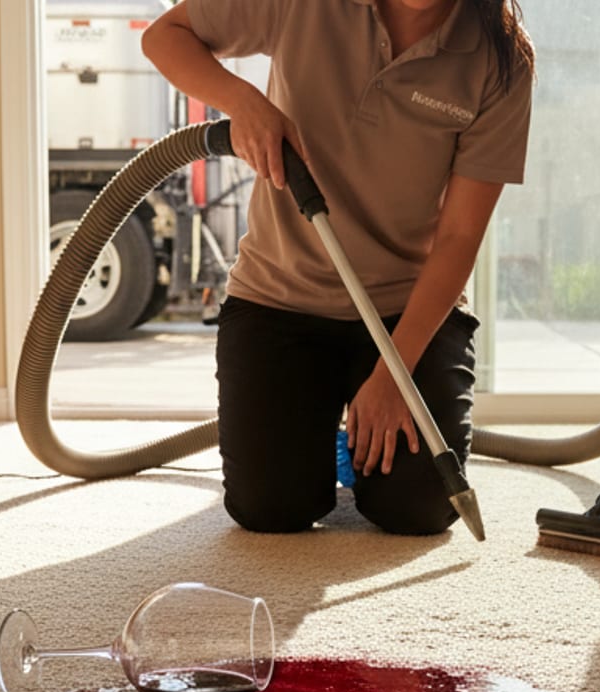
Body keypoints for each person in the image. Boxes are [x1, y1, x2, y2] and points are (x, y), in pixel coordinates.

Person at [142, 0, 535, 535]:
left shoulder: (501, 59)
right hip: (280, 296)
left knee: (417, 510)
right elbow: (165, 35)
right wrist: (244, 101)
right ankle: (326, 429)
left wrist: (394, 375)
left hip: (403, 311)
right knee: (270, 508)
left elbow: (459, 238)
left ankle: (349, 427)